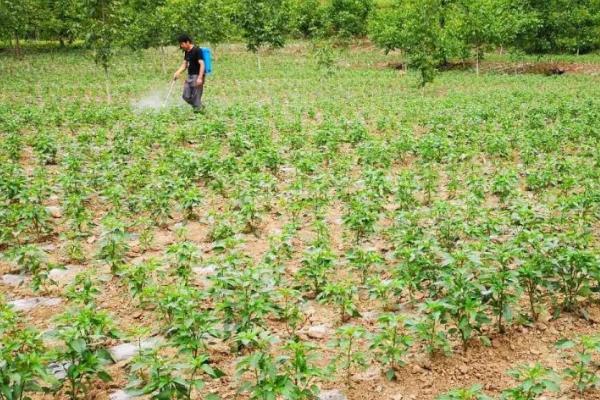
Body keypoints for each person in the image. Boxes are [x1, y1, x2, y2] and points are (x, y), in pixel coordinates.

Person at [173, 34, 205, 112]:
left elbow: (202, 64)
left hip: (197, 76)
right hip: (190, 76)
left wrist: (200, 78)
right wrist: (177, 72)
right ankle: (199, 106)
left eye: (182, 44)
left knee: (196, 98)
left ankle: (199, 111)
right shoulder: (187, 52)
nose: (181, 46)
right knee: (185, 96)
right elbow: (185, 65)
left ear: (187, 42)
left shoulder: (197, 50)